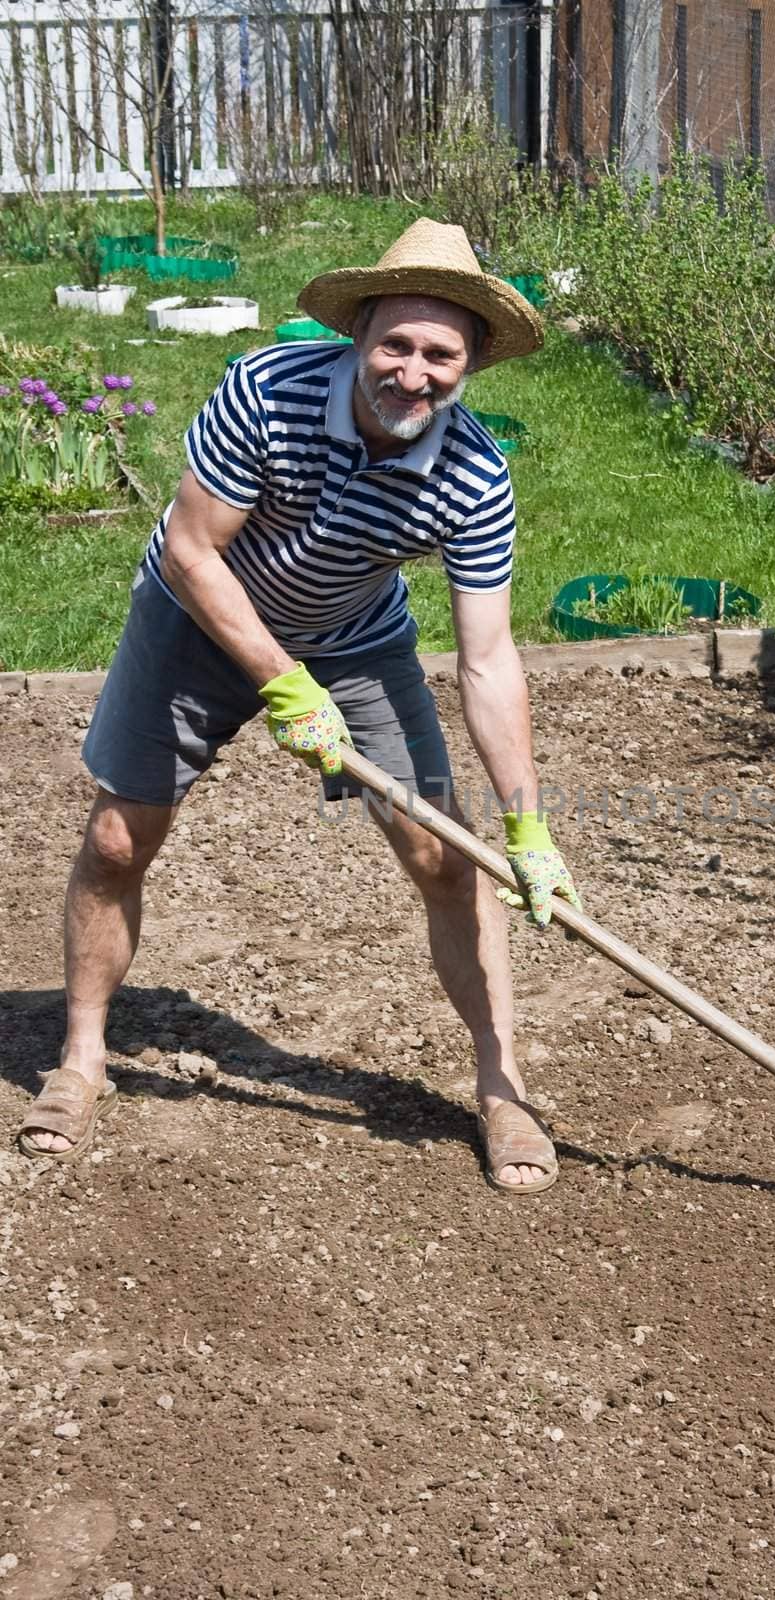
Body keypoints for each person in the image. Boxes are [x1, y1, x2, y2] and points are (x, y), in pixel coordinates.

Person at [16, 218, 582, 1195]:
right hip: (196, 611)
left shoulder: (475, 476)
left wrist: (528, 825)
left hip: (355, 638)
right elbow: (195, 553)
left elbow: (488, 660)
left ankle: (503, 1085)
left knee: (447, 856)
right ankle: (81, 1057)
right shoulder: (265, 394)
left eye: (439, 353)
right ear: (358, 336)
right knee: (116, 839)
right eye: (394, 344)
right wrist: (282, 683)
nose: (411, 371)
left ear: (472, 364)